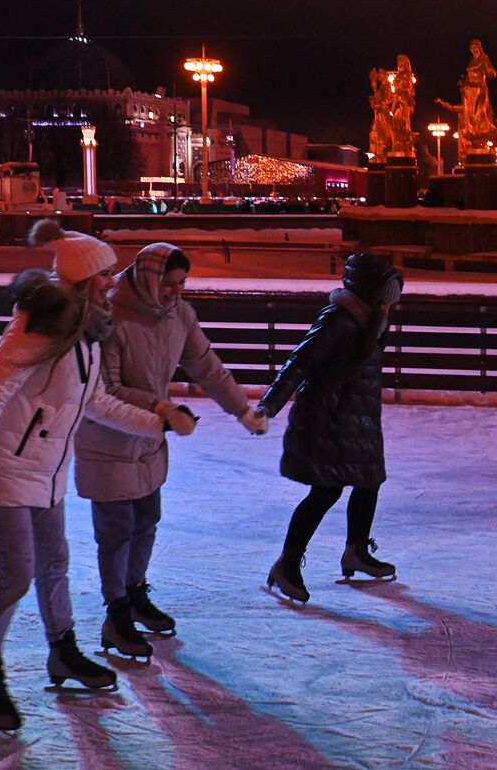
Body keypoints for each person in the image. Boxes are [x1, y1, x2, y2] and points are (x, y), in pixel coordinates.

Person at [0, 221, 196, 732]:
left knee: (55, 563)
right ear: (84, 279)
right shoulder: (41, 327)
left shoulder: (87, 333)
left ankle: (62, 651)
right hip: (5, 471)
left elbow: (97, 401)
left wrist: (159, 420)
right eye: (104, 273)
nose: (112, 280)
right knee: (17, 573)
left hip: (48, 473)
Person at [73, 243, 269, 658]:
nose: (176, 292)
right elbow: (105, 390)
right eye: (169, 284)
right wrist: (160, 407)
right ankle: (116, 613)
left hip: (149, 439)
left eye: (182, 284)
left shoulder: (178, 315)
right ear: (147, 279)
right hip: (107, 440)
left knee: (146, 520)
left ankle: (134, 592)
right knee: (116, 532)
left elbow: (207, 365)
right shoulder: (111, 317)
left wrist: (241, 411)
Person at [260, 253, 404, 603]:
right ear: (371, 293)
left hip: (358, 419)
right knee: (326, 491)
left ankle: (356, 550)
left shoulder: (371, 322)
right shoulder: (339, 319)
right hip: (328, 418)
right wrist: (269, 405)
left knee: (369, 481)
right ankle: (287, 563)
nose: (391, 305)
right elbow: (300, 361)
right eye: (387, 297)